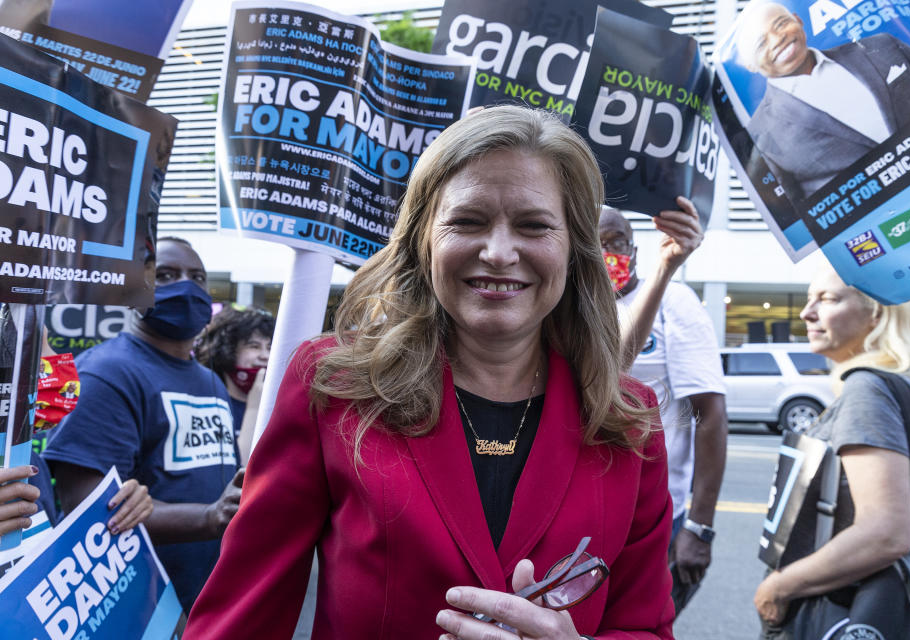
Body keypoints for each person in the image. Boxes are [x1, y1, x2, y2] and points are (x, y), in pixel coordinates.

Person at [184, 105, 677, 639]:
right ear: (423, 238)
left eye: (534, 225)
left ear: (574, 248)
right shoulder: (332, 386)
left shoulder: (627, 420)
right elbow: (240, 618)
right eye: (467, 221)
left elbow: (644, 627)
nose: (498, 252)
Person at [43, 237, 244, 612]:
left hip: (210, 600)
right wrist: (210, 517)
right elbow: (88, 510)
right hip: (146, 609)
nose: (186, 286)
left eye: (197, 277)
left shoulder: (211, 381)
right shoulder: (105, 374)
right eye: (165, 275)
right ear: (134, 287)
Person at [753, 264, 910, 628]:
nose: (806, 312)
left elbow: (886, 532)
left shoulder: (867, 390)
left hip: (844, 609)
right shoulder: (905, 386)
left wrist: (778, 588)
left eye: (827, 299)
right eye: (810, 299)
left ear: (877, 313)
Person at [600, 206, 727, 613]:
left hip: (656, 508)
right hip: (590, 503)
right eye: (595, 243)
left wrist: (700, 526)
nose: (607, 253)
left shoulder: (674, 301)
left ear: (635, 250)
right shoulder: (570, 303)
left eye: (616, 242)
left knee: (641, 622)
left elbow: (709, 413)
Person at [737, 1, 910, 203]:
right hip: (884, 235)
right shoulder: (760, 137)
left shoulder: (883, 46)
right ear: (750, 66)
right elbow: (796, 216)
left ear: (798, 20)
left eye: (781, 24)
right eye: (761, 44)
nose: (778, 39)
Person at [195, 305, 275, 464]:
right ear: (227, 351)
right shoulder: (209, 406)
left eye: (270, 348)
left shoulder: (279, 407)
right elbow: (239, 472)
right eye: (254, 346)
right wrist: (254, 409)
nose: (265, 356)